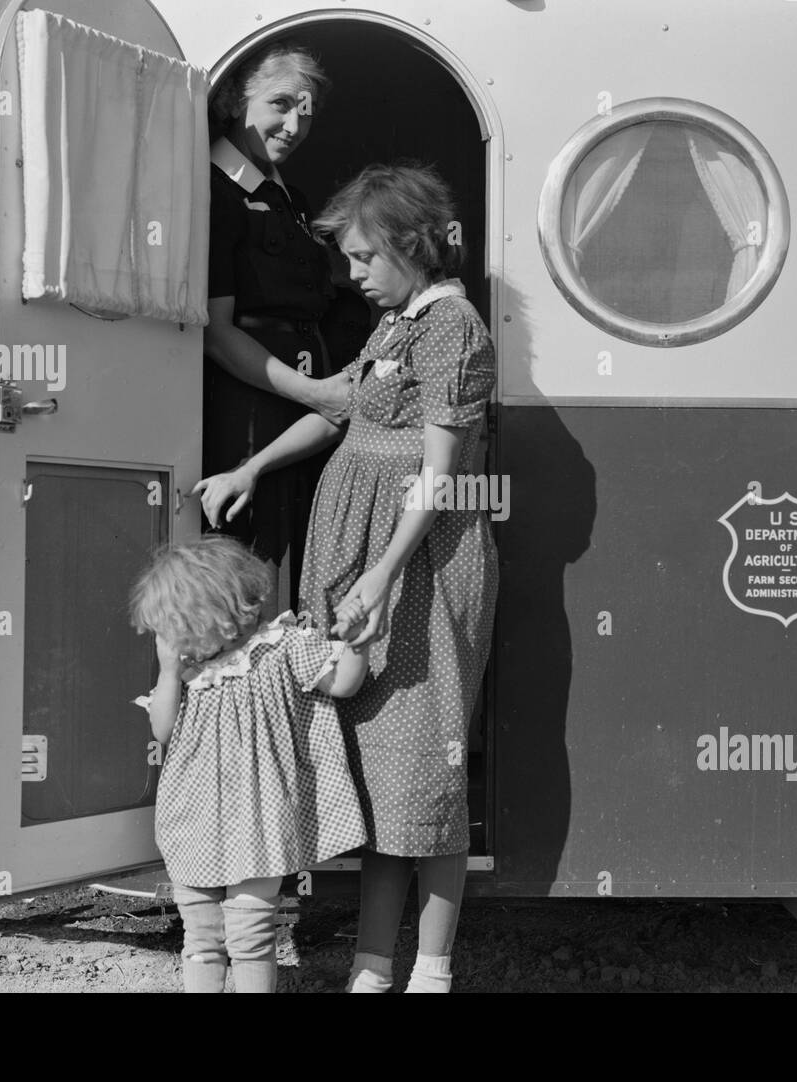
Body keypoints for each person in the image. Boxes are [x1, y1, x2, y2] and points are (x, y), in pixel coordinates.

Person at [193, 163, 498, 993]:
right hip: (362, 566)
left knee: (425, 772)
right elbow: (341, 412)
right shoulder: (397, 324)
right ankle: (370, 966)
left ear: (410, 244)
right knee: (376, 773)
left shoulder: (451, 327)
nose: (351, 273)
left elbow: (441, 476)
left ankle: (429, 971)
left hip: (420, 570)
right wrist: (249, 468)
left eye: (365, 256)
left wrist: (383, 576)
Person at [130, 535, 371, 993]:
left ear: (212, 615)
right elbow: (162, 729)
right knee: (201, 937)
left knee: (250, 937)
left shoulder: (283, 646)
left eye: (172, 627)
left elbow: (342, 684)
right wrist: (166, 672)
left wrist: (359, 642)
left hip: (259, 823)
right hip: (192, 823)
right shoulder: (189, 674)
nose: (167, 641)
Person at [204, 44, 357, 614]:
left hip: (304, 407)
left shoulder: (288, 196)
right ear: (233, 100)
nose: (294, 126)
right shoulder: (217, 188)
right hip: (254, 409)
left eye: (306, 111)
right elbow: (217, 333)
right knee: (253, 567)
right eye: (280, 104)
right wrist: (316, 394)